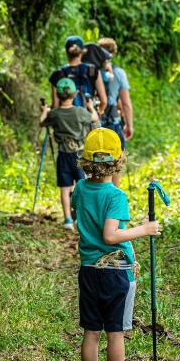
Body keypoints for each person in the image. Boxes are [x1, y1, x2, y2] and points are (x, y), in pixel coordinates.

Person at [71, 128, 160, 361]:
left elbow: (86, 216)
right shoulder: (116, 195)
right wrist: (144, 229)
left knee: (91, 331)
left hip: (88, 269)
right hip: (114, 271)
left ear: (85, 160)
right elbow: (111, 236)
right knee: (115, 332)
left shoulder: (80, 189)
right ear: (119, 161)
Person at [40, 77, 98, 230]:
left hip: (63, 154)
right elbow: (94, 118)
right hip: (78, 154)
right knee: (81, 186)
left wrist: (45, 112)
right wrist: (91, 107)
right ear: (74, 95)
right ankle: (80, 218)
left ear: (58, 96)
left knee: (65, 188)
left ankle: (67, 219)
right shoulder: (80, 112)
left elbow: (42, 122)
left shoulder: (55, 114)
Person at [97, 38, 133, 186]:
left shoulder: (91, 71)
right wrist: (129, 125)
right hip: (113, 122)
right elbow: (125, 103)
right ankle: (112, 196)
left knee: (95, 161)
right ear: (113, 53)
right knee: (116, 162)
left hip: (95, 121)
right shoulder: (119, 73)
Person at [49, 35, 107, 115]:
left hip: (66, 122)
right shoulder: (92, 70)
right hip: (88, 120)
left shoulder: (57, 74)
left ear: (66, 52)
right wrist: (98, 113)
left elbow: (55, 106)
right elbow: (103, 101)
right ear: (82, 52)